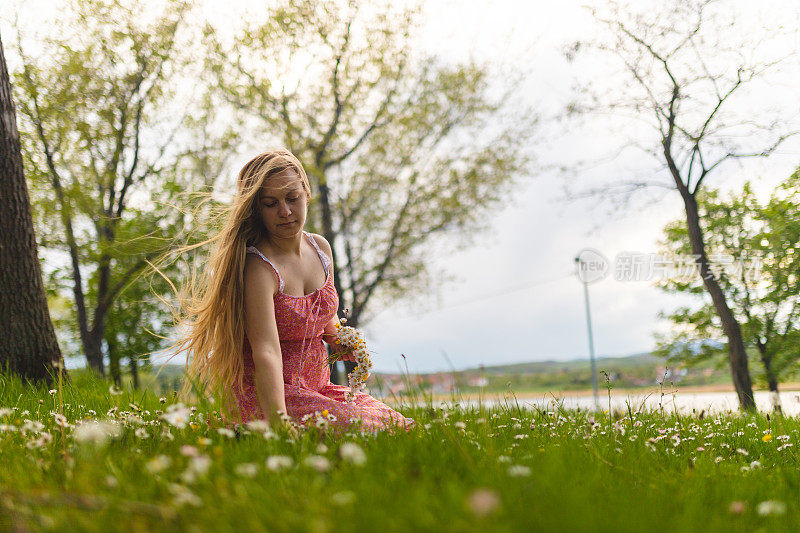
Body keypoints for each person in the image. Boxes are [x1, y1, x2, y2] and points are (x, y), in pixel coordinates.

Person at [171, 149, 414, 435]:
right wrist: (279, 422)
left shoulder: (321, 249)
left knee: (397, 425)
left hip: (319, 388)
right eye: (271, 203)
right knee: (364, 429)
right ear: (256, 210)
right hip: (273, 396)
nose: (285, 212)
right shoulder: (259, 268)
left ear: (306, 194)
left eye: (292, 198)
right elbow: (266, 350)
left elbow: (326, 318)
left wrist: (340, 339)